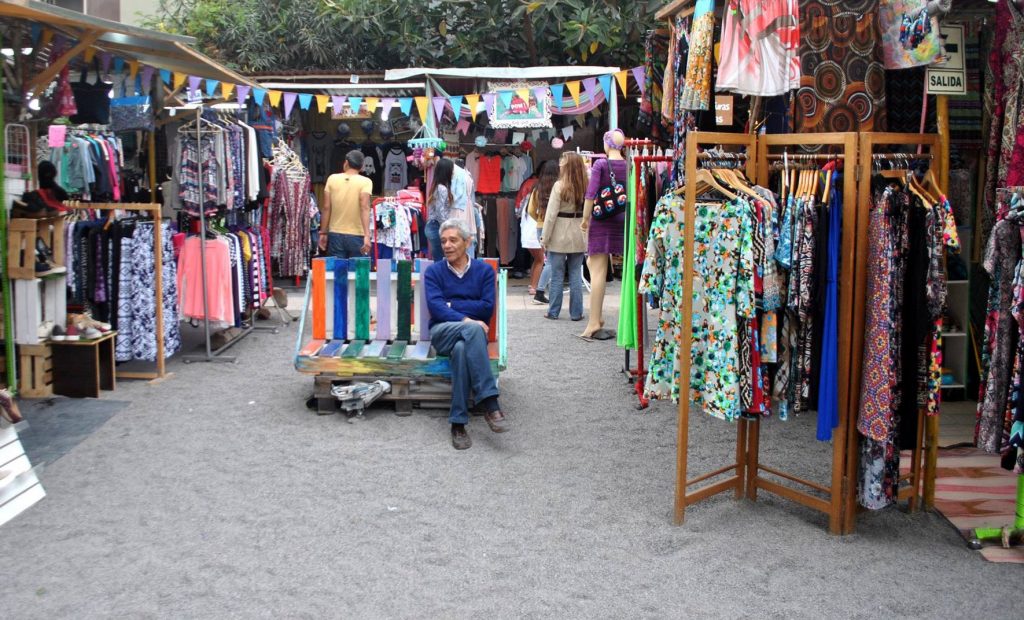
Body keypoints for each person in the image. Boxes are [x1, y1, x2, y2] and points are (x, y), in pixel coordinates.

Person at [423, 218, 509, 450]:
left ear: (468, 242)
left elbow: (487, 308)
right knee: (472, 329)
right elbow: (436, 308)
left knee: (462, 350)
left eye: (453, 240)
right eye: (443, 241)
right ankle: (490, 403)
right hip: (442, 333)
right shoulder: (434, 272)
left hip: (467, 336)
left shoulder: (483, 271)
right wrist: (465, 318)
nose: (447, 245)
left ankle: (458, 423)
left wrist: (452, 306)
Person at [579, 129, 627, 340]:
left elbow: (591, 194)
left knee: (597, 271)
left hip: (601, 219)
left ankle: (593, 322)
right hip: (621, 218)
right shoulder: (629, 165)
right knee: (595, 264)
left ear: (607, 144)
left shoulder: (600, 164)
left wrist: (584, 218)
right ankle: (597, 319)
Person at [540, 152, 588, 322]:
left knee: (557, 274)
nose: (560, 164)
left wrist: (544, 238)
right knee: (575, 274)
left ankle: (553, 311)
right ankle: (576, 313)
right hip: (579, 232)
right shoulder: (585, 185)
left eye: (562, 161)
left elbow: (551, 215)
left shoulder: (559, 186)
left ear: (567, 166)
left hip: (559, 233)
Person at [319, 150, 372, 258]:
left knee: (338, 272)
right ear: (362, 166)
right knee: (358, 272)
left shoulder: (332, 179)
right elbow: (364, 208)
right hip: (358, 235)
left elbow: (326, 207)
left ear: (346, 163)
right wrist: (367, 235)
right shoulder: (366, 182)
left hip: (335, 234)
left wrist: (323, 233)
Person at [526, 161, 559, 304]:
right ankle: (539, 291)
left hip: (540, 226)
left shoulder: (537, 188)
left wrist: (540, 220)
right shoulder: (558, 188)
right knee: (552, 261)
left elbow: (530, 211)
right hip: (557, 226)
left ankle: (547, 290)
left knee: (549, 259)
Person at [425, 158, 455, 262]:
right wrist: (447, 227)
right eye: (451, 170)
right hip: (437, 226)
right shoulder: (442, 188)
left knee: (440, 258)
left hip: (434, 225)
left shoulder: (437, 187)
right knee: (441, 259)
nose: (453, 173)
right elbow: (440, 212)